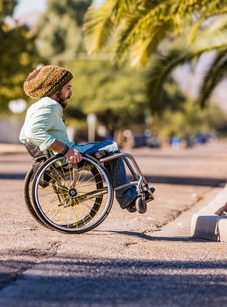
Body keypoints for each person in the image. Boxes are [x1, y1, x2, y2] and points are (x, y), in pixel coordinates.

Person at [19, 64, 140, 212]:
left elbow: (25, 136)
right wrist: (66, 150)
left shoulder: (37, 106)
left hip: (55, 156)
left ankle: (123, 187)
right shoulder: (50, 106)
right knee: (112, 148)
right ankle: (127, 197)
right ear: (56, 88)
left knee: (107, 152)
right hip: (63, 157)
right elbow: (33, 132)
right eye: (68, 88)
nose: (70, 93)